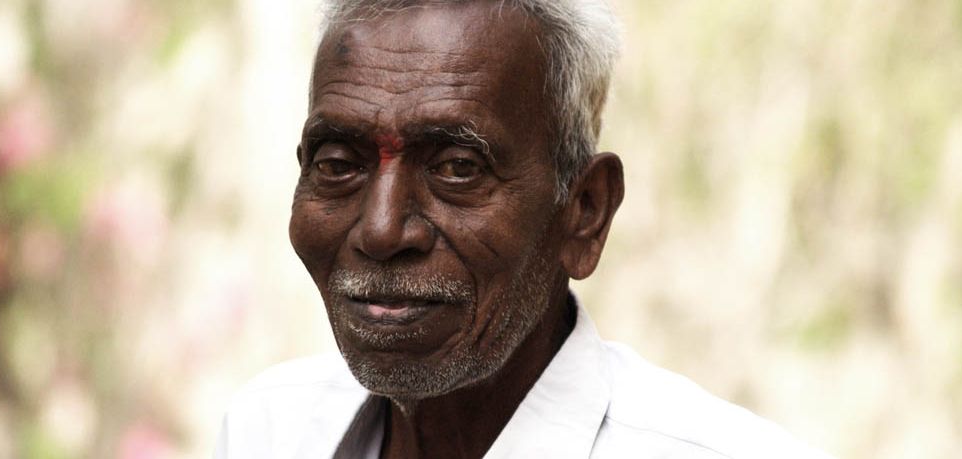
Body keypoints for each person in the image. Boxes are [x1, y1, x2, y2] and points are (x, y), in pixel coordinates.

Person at [216, 0, 829, 457]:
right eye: (337, 164)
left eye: (458, 167)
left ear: (584, 212)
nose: (380, 231)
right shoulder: (267, 431)